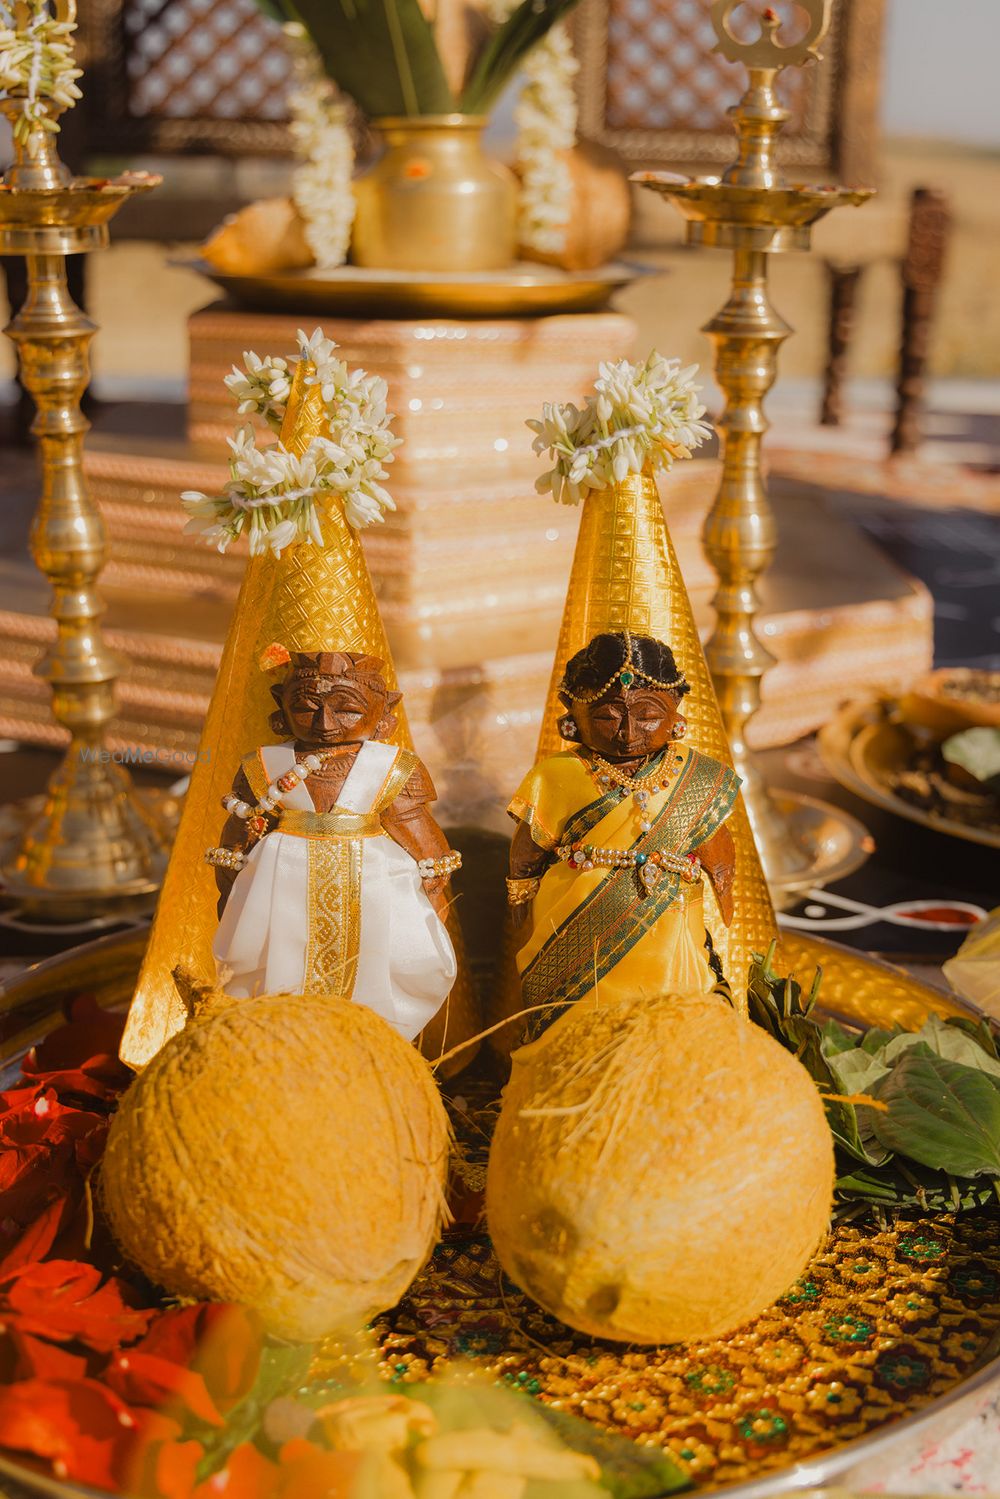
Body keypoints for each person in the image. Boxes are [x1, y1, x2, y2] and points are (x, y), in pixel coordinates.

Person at [205, 647, 458, 1040]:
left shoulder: (391, 767)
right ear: (281, 706)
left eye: (348, 710)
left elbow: (413, 825)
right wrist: (231, 879)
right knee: (282, 961)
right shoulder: (266, 764)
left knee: (375, 963)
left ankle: (371, 1039)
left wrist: (435, 882)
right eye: (306, 707)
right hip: (284, 881)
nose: (325, 723)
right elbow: (242, 827)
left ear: (384, 713)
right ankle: (284, 1039)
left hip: (372, 881)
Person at [507, 631, 739, 1033]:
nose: (629, 733)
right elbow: (530, 844)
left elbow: (712, 835)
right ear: (572, 720)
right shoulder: (556, 775)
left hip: (669, 912)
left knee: (671, 1003)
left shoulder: (696, 775)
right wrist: (520, 890)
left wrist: (722, 881)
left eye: (649, 717)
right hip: (575, 909)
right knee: (579, 1011)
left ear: (677, 717)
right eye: (606, 717)